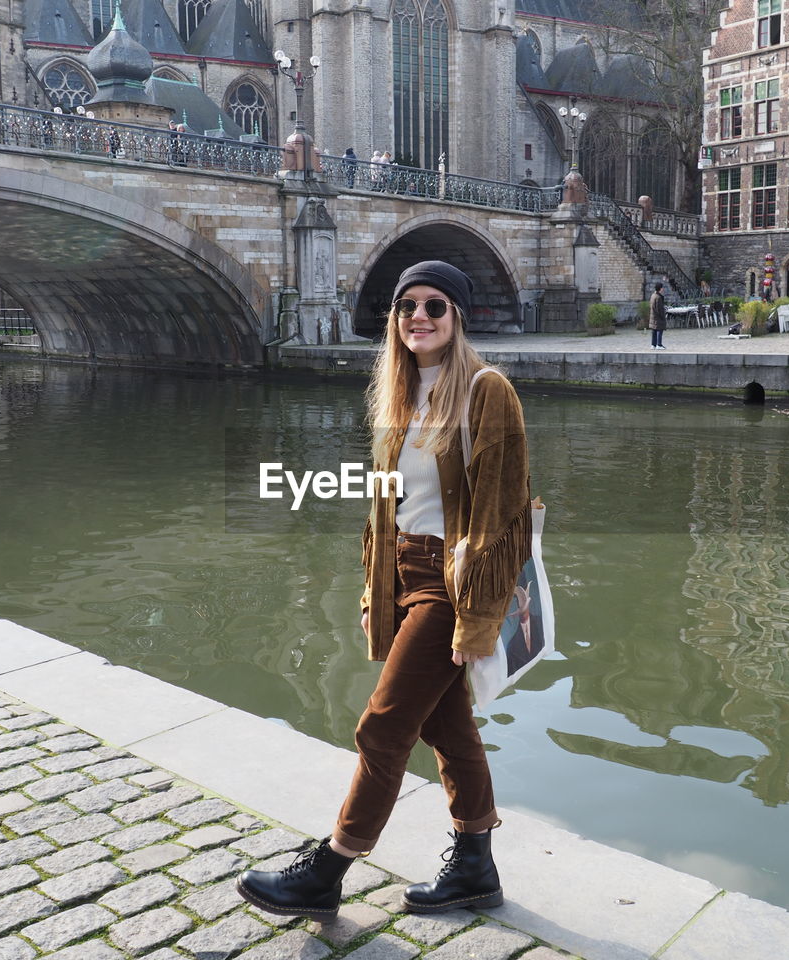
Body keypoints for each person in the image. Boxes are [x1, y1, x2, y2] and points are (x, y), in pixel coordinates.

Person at [236, 260, 532, 921]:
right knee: (446, 726)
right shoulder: (397, 396)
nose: (418, 318)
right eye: (406, 307)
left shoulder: (487, 392)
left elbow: (500, 517)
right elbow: (382, 507)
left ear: (458, 317)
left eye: (434, 306)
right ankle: (475, 867)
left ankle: (329, 867)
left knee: (383, 726)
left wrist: (476, 621)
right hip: (401, 577)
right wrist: (375, 586)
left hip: (448, 584)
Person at [649, 280, 666, 350]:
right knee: (659, 330)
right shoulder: (658, 297)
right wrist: (663, 316)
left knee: (654, 330)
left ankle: (653, 344)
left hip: (653, 315)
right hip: (658, 316)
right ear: (660, 288)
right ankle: (659, 344)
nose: (663, 289)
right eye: (662, 288)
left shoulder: (653, 295)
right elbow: (660, 309)